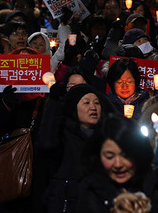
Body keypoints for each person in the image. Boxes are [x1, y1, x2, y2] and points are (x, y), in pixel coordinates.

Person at [77, 114, 158, 212]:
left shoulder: (153, 182)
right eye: (109, 157)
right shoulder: (90, 188)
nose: (118, 164)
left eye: (125, 156)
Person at [38, 84, 111, 213]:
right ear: (74, 107)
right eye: (86, 103)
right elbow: (46, 142)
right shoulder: (63, 133)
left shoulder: (106, 136)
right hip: (67, 201)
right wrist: (54, 103)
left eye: (96, 103)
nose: (93, 107)